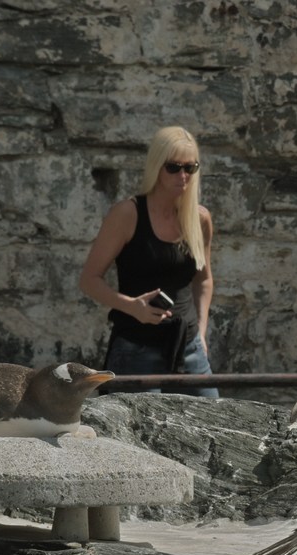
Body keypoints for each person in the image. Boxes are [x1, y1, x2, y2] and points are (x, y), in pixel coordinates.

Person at [79, 125, 219, 397]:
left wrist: (201, 332)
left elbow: (204, 279)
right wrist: (133, 307)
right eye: (174, 167)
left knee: (213, 425)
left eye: (190, 168)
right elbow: (88, 280)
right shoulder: (127, 214)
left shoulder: (199, 218)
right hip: (136, 348)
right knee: (132, 437)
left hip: (188, 347)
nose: (183, 176)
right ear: (157, 166)